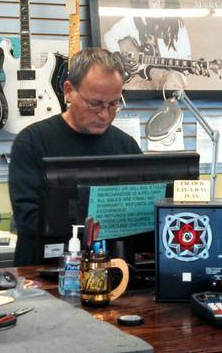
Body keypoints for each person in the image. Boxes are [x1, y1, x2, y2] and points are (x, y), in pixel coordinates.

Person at [9, 47, 142, 266]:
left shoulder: (126, 145)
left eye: (113, 104)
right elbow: (28, 219)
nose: (105, 114)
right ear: (69, 90)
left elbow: (141, 216)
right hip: (43, 271)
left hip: (111, 269)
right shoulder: (31, 142)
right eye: (95, 104)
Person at [104, 0, 191, 91]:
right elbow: (109, 36)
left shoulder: (177, 24)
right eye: (154, 1)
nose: (159, 6)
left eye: (162, 1)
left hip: (167, 78)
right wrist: (120, 59)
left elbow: (185, 57)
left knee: (172, 79)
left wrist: (188, 68)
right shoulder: (133, 19)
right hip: (141, 78)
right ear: (146, 1)